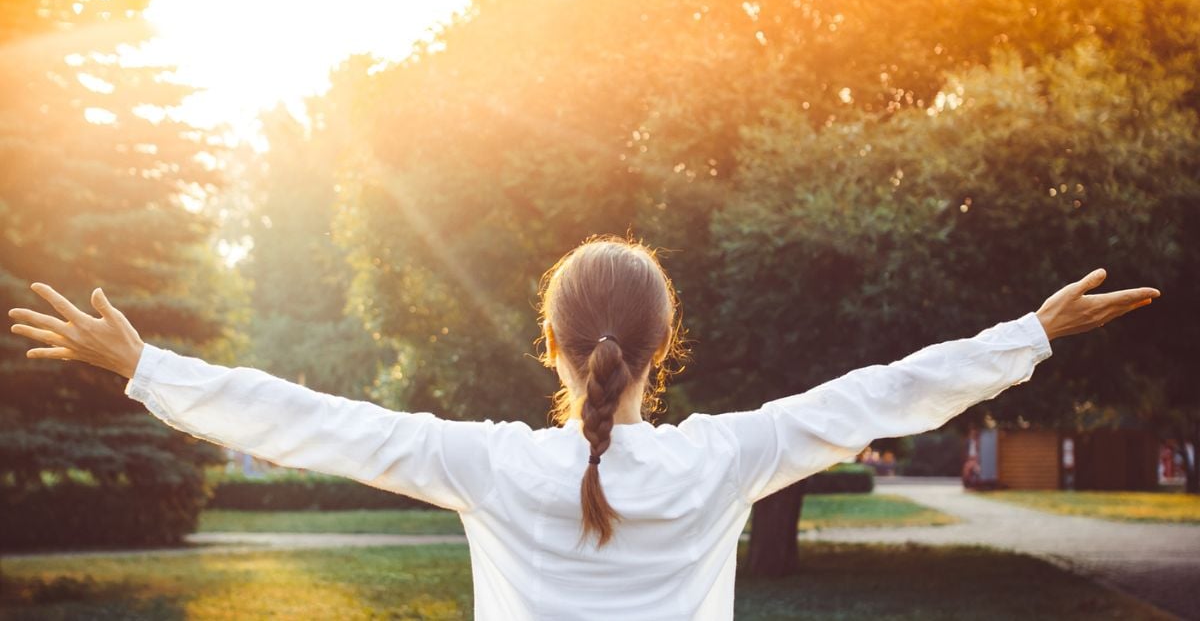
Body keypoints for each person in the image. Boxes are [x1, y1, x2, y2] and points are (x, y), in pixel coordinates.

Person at [7, 234, 1158, 620]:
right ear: (664, 348)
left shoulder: (487, 465)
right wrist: (1032, 333)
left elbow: (315, 424)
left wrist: (145, 366)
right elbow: (885, 393)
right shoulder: (728, 458)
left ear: (547, 343)